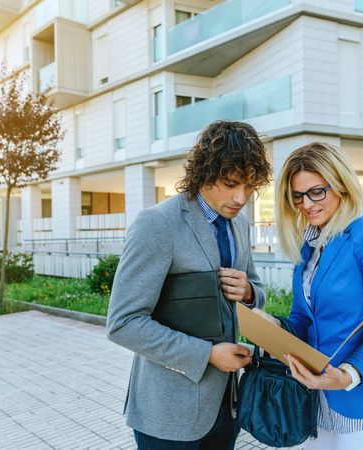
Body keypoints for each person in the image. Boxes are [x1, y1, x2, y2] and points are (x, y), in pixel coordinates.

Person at [106, 120, 272, 449]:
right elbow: (123, 323)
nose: (242, 197)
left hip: (227, 408)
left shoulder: (239, 223)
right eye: (231, 183)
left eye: (251, 186)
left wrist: (251, 293)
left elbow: (256, 290)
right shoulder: (157, 223)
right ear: (205, 172)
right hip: (168, 413)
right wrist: (207, 355)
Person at [254, 142, 363, 449]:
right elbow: (303, 320)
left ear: (341, 184)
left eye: (316, 192)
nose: (306, 204)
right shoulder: (308, 247)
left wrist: (348, 375)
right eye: (297, 196)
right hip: (314, 401)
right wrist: (266, 323)